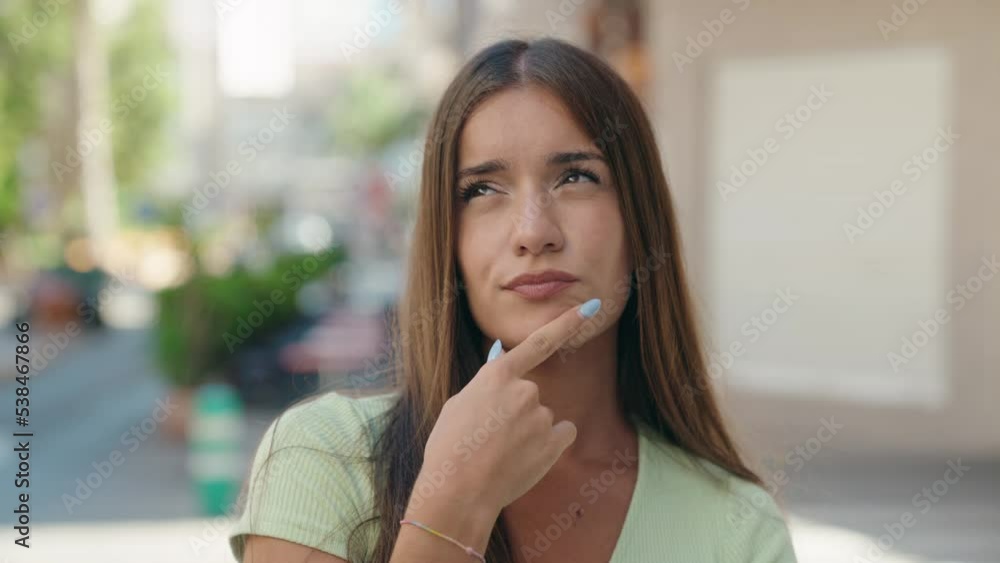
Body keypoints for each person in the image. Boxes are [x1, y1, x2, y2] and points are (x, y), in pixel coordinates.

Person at [228, 37, 798, 563]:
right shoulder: (324, 457)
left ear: (639, 222)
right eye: (482, 189)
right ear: (447, 241)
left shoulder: (737, 526)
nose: (533, 231)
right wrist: (452, 505)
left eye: (576, 178)